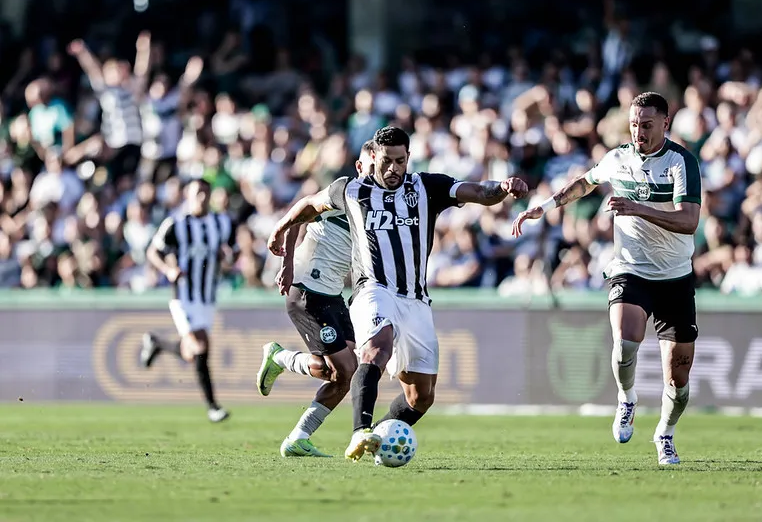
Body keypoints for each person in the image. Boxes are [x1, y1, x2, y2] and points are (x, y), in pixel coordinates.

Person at [267, 126, 527, 461]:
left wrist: (503, 188)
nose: (394, 169)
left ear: (408, 158)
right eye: (387, 161)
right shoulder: (350, 190)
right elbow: (308, 206)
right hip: (373, 290)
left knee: (422, 396)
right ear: (373, 157)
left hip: (416, 299)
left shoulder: (427, 187)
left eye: (400, 161)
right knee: (377, 349)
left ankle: (377, 440)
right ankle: (360, 431)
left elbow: (479, 191)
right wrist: (280, 228)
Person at [512, 92, 701, 465]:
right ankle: (626, 399)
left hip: (676, 277)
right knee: (624, 344)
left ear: (665, 123)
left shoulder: (682, 162)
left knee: (678, 381)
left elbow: (688, 221)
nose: (638, 132)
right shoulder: (619, 158)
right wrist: (545, 206)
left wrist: (636, 209)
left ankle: (664, 433)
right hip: (631, 269)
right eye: (634, 124)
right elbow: (584, 182)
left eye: (646, 125)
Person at [255, 141, 375, 457]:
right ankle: (281, 363)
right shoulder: (343, 194)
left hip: (333, 294)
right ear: (362, 168)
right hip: (308, 291)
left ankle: (297, 434)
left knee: (344, 372)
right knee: (346, 370)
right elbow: (299, 215)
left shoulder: (377, 206)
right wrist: (288, 263)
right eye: (374, 166)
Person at [139, 178, 237, 423]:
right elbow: (153, 251)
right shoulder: (176, 224)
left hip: (207, 297)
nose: (202, 198)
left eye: (205, 193)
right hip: (183, 296)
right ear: (187, 196)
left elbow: (230, 255)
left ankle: (157, 344)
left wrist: (228, 257)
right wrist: (168, 271)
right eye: (197, 193)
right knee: (201, 346)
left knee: (193, 353)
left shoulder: (221, 222)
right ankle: (213, 407)